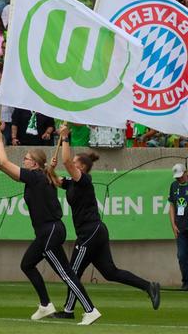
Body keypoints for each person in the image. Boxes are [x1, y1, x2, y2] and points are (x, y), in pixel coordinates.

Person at [49, 125, 159, 319]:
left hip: (89, 232)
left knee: (72, 271)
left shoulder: (84, 180)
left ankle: (68, 311)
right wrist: (50, 170)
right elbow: (58, 181)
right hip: (95, 232)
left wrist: (65, 138)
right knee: (110, 272)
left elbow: (66, 161)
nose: (72, 165)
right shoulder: (73, 182)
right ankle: (148, 286)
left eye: (75, 163)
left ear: (81, 168)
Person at [0, 131, 101, 325]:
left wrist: (0, 140)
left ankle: (90, 310)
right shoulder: (38, 176)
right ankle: (45, 305)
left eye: (26, 159)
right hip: (46, 232)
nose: (23, 161)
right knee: (27, 264)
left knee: (65, 273)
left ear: (34, 163)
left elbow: (6, 162)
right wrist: (0, 167)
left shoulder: (36, 177)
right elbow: (9, 171)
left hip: (50, 231)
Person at [169, 163, 188, 291]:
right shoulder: (174, 186)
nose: (179, 179)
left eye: (180, 176)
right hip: (180, 228)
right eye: (177, 177)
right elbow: (171, 206)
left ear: (186, 172)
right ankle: (186, 282)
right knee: (182, 256)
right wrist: (173, 224)